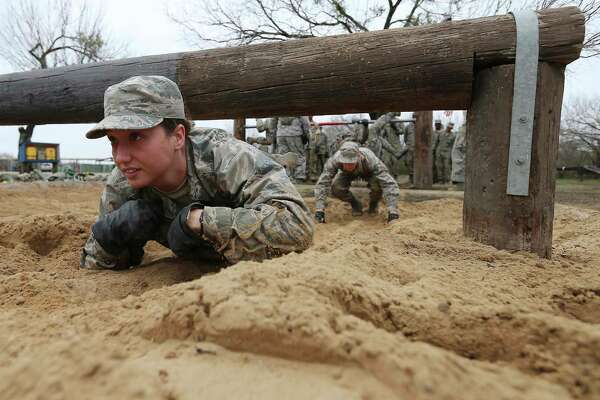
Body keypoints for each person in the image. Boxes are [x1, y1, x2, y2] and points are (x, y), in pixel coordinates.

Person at [80, 75, 314, 270]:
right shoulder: (122, 184)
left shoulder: (225, 157)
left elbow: (297, 227)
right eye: (113, 140)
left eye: (136, 136)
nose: (121, 157)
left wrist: (201, 221)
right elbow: (94, 265)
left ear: (178, 136)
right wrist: (111, 239)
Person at [314, 141, 400, 223]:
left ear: (359, 156)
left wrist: (393, 211)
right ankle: (355, 203)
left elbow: (389, 183)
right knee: (336, 188)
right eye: (345, 162)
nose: (348, 165)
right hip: (346, 174)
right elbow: (323, 183)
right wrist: (319, 209)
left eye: (351, 162)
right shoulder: (334, 161)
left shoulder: (371, 160)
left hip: (369, 172)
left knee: (377, 186)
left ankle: (373, 203)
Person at [275, 116, 310, 182]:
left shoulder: (278, 106)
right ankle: (299, 176)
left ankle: (285, 176)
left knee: (283, 156)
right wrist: (307, 136)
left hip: (280, 134)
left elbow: (272, 120)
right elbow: (305, 122)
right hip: (295, 133)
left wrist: (274, 134)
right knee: (299, 155)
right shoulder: (297, 106)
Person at [432, 119, 444, 183]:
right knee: (433, 165)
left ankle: (441, 179)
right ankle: (434, 179)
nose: (437, 125)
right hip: (433, 151)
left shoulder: (443, 132)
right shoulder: (433, 132)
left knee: (440, 165)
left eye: (438, 124)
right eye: (436, 124)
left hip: (440, 151)